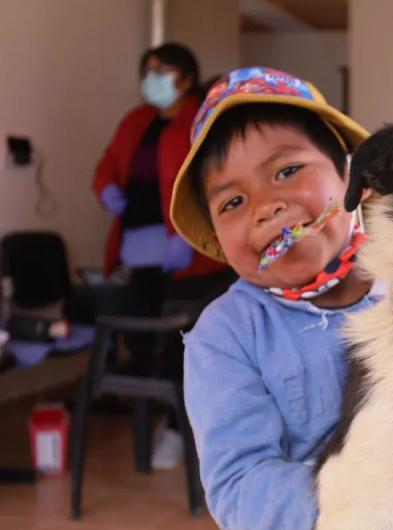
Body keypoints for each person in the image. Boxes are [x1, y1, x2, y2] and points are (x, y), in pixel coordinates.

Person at [169, 67, 393, 530]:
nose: (265, 206)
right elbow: (240, 481)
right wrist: (370, 507)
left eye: (287, 171)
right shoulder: (225, 336)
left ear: (351, 176)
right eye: (231, 203)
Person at [92, 42, 233, 469]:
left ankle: (176, 428)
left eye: (162, 70)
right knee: (140, 342)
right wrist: (107, 191)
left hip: (192, 257)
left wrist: (190, 235)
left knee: (185, 346)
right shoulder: (136, 121)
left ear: (186, 78)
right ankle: (147, 423)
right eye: (146, 70)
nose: (151, 78)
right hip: (140, 252)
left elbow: (218, 183)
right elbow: (108, 166)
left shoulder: (201, 121)